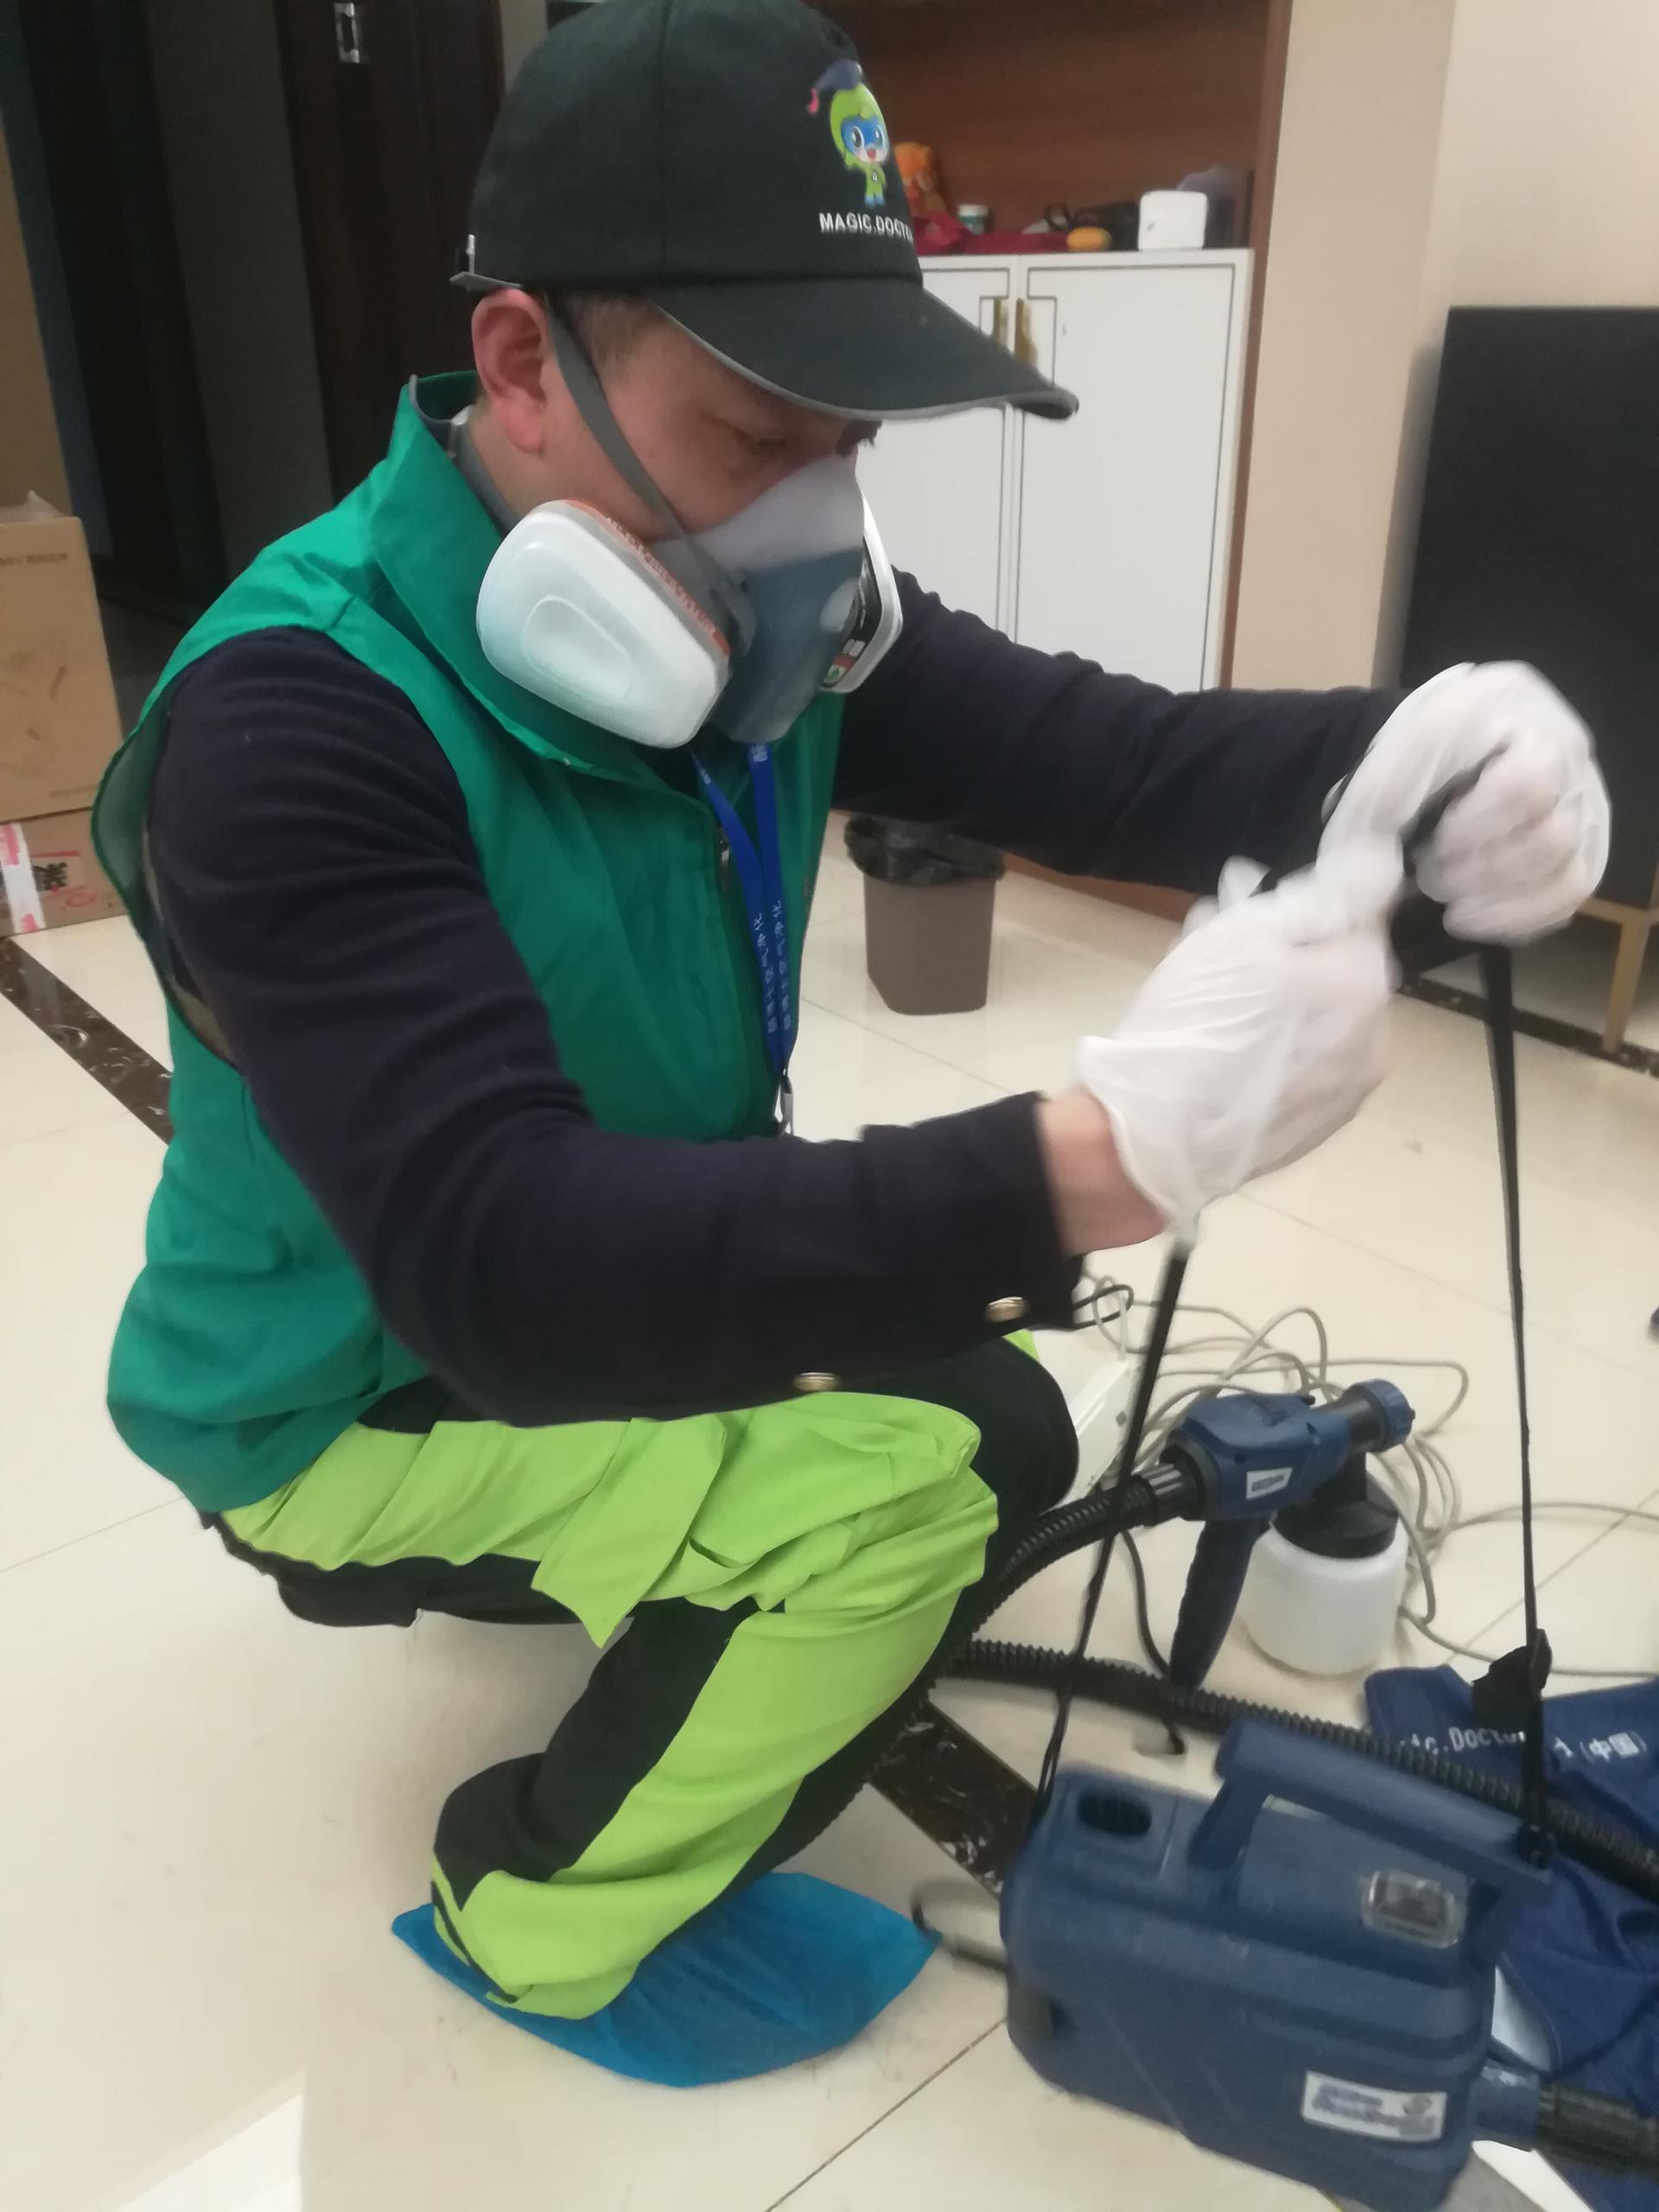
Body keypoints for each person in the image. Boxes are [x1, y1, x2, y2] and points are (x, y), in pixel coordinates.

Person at [92, 0, 1609, 2082]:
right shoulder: (296, 722)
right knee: (915, 1492)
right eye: (757, 435)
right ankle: (538, 1908)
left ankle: (644, 1586)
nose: (815, 516)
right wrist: (1096, 1156)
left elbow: (1116, 757)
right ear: (522, 363)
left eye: (851, 447)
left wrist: (1416, 769)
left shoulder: (746, 629)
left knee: (1001, 1419)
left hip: (585, 1265)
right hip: (350, 1383)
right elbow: (504, 1263)